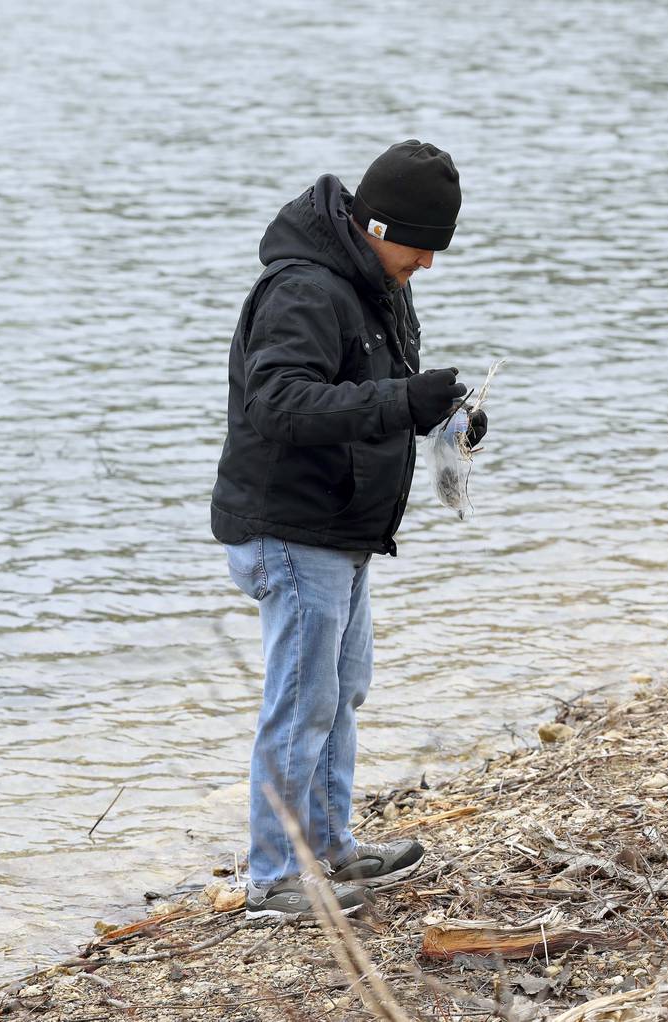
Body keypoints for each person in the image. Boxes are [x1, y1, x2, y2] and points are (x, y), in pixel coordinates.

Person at [210, 140, 486, 922]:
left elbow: (377, 396)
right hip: (289, 529)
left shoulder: (380, 283)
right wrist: (402, 402)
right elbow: (279, 405)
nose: (428, 264)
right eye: (423, 247)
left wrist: (441, 416)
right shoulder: (303, 289)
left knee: (341, 692)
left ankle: (330, 847)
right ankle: (272, 880)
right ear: (379, 225)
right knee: (303, 704)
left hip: (344, 528)